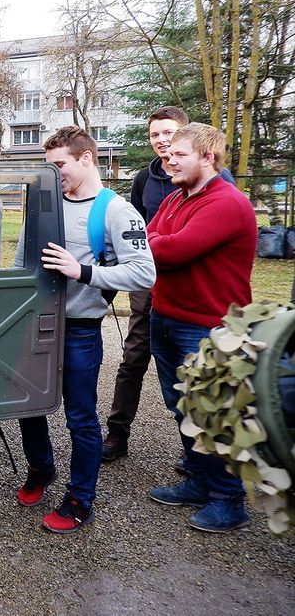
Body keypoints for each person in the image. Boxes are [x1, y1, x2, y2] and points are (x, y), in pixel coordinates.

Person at [15, 126, 155, 533]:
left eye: (59, 164)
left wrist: (83, 272)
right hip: (37, 324)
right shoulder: (44, 204)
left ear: (86, 158)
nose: (53, 173)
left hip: (80, 330)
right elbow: (23, 262)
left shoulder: (117, 211)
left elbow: (144, 273)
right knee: (27, 405)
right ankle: (41, 468)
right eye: (49, 166)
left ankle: (80, 500)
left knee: (80, 418)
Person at [102, 107, 236, 462]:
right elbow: (137, 234)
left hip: (195, 298)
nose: (162, 143)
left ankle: (205, 468)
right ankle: (118, 434)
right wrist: (153, 244)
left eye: (170, 136)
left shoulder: (220, 187)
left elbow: (182, 245)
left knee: (198, 386)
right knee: (135, 358)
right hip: (151, 288)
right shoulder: (148, 181)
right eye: (155, 135)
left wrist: (160, 242)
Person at [146, 123, 257, 532]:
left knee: (214, 413)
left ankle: (229, 500)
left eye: (179, 155)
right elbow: (146, 238)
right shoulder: (175, 198)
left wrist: (157, 242)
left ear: (208, 157)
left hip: (209, 326)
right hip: (166, 316)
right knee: (182, 407)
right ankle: (197, 481)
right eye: (168, 155)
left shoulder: (227, 203)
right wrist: (156, 241)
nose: (169, 161)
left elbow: (172, 250)